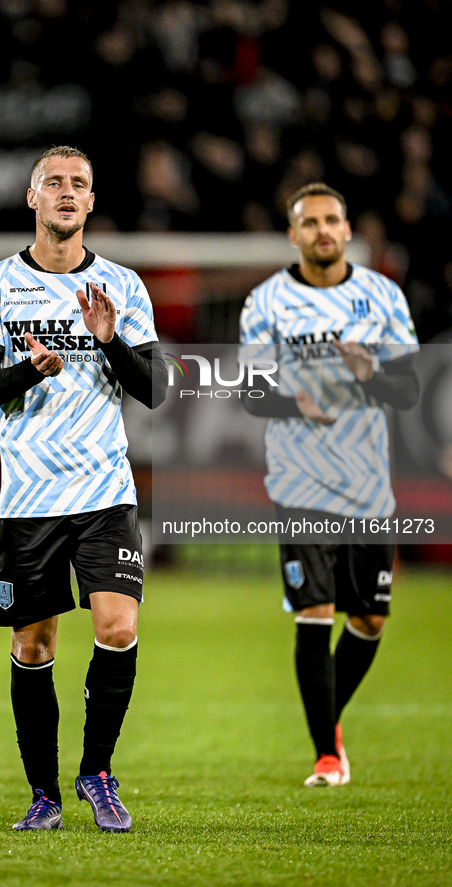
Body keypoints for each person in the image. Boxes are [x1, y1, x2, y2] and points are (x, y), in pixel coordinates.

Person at [0, 145, 167, 830]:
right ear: (32, 198)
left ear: (91, 201)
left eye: (78, 183)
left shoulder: (122, 286)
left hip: (105, 491)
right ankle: (43, 793)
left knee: (118, 626)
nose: (66, 193)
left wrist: (109, 342)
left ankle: (97, 772)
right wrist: (30, 368)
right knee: (33, 646)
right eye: (54, 182)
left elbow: (154, 388)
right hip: (29, 501)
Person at [239, 182, 419, 786]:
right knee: (314, 611)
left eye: (331, 220)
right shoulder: (265, 302)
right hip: (299, 482)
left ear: (347, 231)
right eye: (309, 222)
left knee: (368, 622)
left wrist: (372, 373)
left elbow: (409, 389)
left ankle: (327, 720)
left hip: (368, 486)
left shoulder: (382, 296)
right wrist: (297, 405)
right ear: (293, 234)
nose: (321, 230)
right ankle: (325, 754)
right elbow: (252, 392)